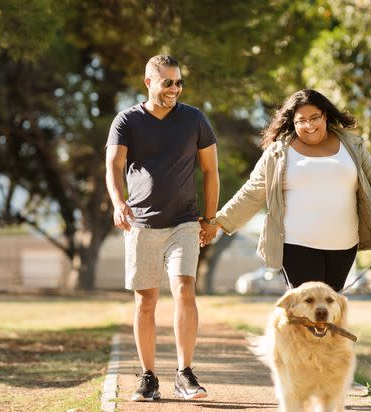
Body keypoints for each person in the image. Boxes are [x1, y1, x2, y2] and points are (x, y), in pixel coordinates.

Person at [201, 89, 371, 292]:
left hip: (344, 246)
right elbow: (252, 192)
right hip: (296, 245)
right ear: (293, 122)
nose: (309, 125)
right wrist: (218, 222)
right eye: (301, 121)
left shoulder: (352, 145)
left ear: (325, 115)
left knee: (327, 310)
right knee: (307, 306)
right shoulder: (278, 152)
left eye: (314, 117)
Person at [105, 55, 219, 401]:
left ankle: (185, 374)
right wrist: (118, 202)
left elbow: (211, 171)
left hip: (185, 220)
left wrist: (210, 219)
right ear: (149, 82)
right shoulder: (126, 121)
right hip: (141, 223)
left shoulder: (194, 119)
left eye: (179, 82)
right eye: (167, 82)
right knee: (146, 301)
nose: (175, 88)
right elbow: (114, 165)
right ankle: (148, 377)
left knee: (185, 288)